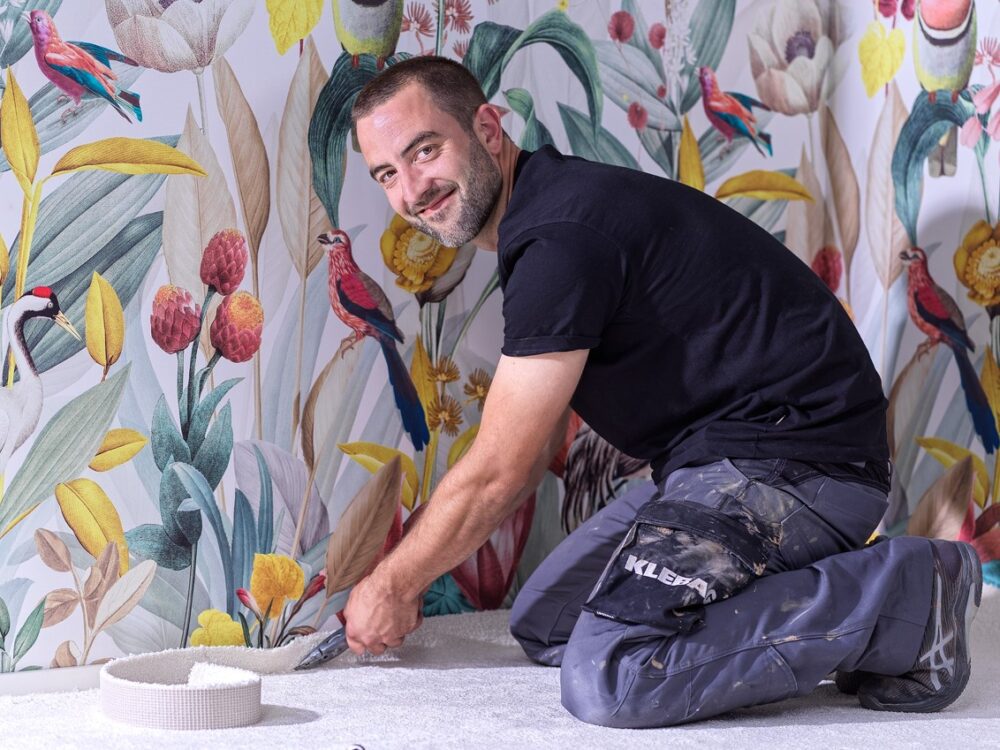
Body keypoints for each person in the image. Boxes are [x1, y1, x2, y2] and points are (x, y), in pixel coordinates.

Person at [340, 55, 983, 727]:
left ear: (488, 129)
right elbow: (524, 452)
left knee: (613, 671)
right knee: (551, 621)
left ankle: (910, 598)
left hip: (801, 464)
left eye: (425, 150)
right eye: (387, 173)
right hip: (717, 464)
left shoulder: (560, 238)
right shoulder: (548, 215)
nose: (412, 190)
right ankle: (816, 592)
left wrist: (393, 583)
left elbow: (501, 469)